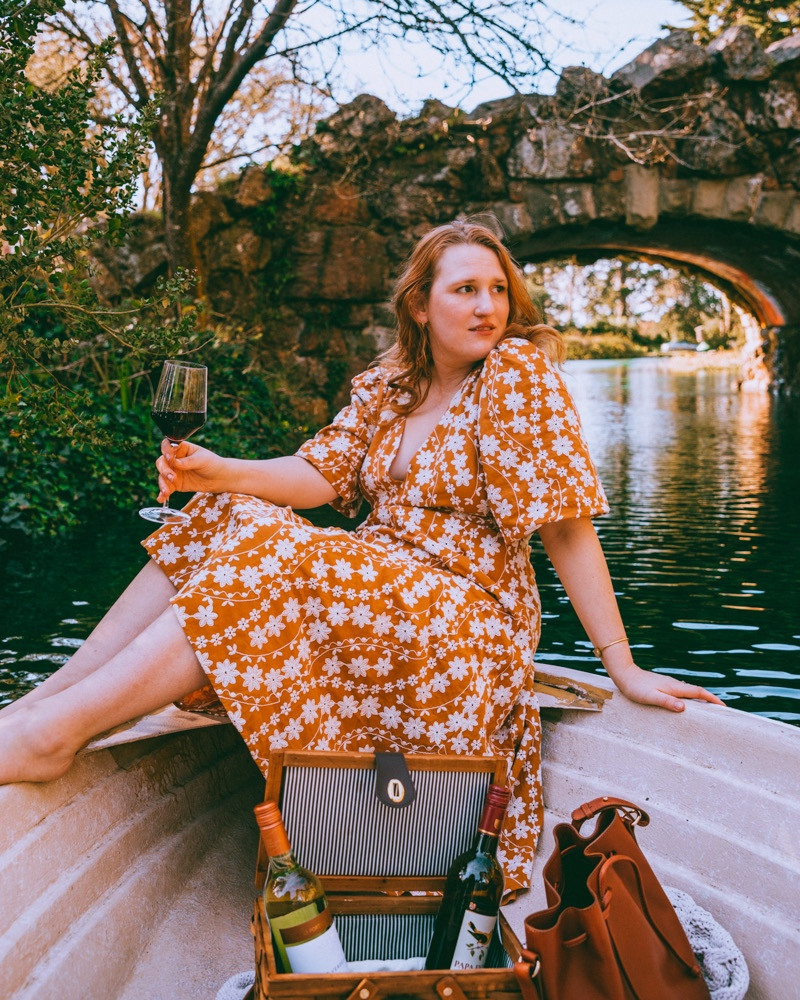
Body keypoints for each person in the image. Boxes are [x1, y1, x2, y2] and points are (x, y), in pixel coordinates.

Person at [0, 219, 723, 892]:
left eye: (498, 289)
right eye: (465, 289)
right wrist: (213, 472)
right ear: (420, 305)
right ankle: (41, 707)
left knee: (282, 553)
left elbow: (564, 525)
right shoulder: (392, 385)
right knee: (222, 515)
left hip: (467, 614)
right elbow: (319, 476)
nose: (488, 306)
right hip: (379, 586)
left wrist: (620, 663)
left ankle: (51, 737)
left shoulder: (516, 375)